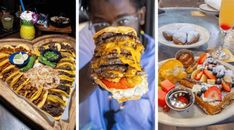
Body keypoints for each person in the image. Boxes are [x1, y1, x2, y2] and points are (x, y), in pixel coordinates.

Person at [79, 0, 155, 130]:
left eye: (123, 21)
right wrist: (93, 70)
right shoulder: (84, 41)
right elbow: (73, 94)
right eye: (102, 23)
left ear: (141, 16)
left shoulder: (155, 62)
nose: (113, 34)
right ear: (92, 20)